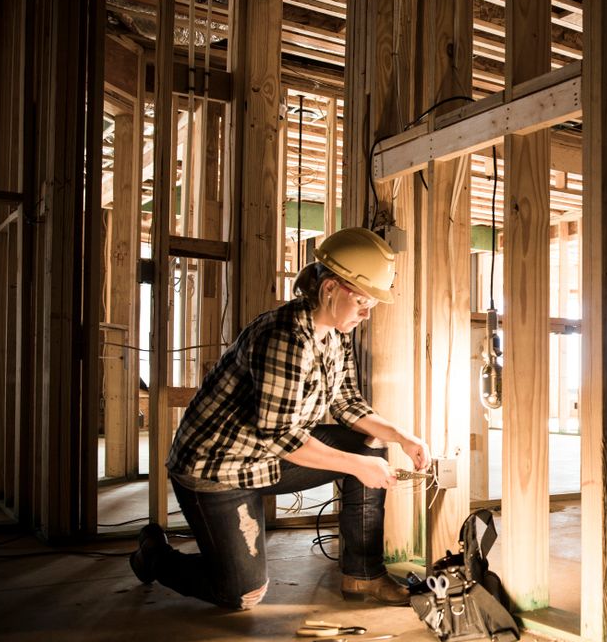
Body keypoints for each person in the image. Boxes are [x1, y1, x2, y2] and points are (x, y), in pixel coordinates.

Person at [130, 226, 431, 609]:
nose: (366, 315)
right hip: (217, 470)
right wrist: (357, 465)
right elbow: (281, 436)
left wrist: (402, 436)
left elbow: (346, 404)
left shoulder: (335, 335)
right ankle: (154, 553)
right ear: (330, 289)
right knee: (242, 593)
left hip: (266, 460)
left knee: (369, 454)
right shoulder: (285, 337)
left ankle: (363, 575)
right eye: (362, 303)